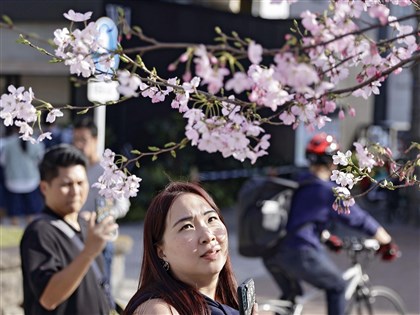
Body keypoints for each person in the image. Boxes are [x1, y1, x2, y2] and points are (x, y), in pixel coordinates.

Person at [262, 133, 398, 315]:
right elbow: (359, 218)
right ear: (333, 161)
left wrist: (326, 237)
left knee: (290, 299)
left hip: (271, 252)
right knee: (337, 287)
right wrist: (386, 240)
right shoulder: (328, 190)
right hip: (299, 251)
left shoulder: (298, 181)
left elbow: (302, 218)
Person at [123, 181, 258, 315]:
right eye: (186, 226)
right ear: (161, 251)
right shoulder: (159, 310)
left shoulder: (230, 300)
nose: (208, 235)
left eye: (211, 219)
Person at [20, 144, 118, 315]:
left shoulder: (87, 225)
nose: (75, 191)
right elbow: (48, 298)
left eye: (81, 183)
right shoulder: (39, 232)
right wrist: (88, 253)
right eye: (66, 184)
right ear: (44, 188)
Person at [72, 116, 130, 283]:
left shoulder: (108, 170)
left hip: (102, 238)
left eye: (83, 140)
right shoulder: (75, 168)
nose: (78, 145)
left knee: (102, 289)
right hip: (76, 236)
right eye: (75, 139)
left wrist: (97, 215)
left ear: (95, 140)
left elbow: (122, 205)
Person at [0, 125, 44, 225]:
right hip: (31, 181)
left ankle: (14, 236)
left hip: (13, 181)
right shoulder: (35, 143)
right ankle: (32, 234)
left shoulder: (8, 144)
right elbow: (40, 160)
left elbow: (3, 162)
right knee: (31, 213)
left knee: (14, 213)